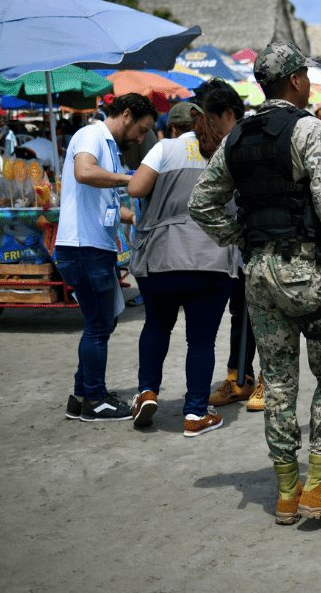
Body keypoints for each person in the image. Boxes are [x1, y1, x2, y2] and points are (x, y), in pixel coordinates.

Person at [189, 41, 321, 525]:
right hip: (308, 272)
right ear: (294, 80)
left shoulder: (237, 138)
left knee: (278, 383)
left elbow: (201, 205)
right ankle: (319, 485)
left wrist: (245, 238)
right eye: (307, 77)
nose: (309, 84)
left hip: (259, 275)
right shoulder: (309, 129)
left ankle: (287, 493)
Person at [126, 99, 240, 435]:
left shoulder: (164, 148)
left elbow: (136, 188)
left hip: (162, 257)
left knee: (157, 326)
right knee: (201, 340)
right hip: (212, 259)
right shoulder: (226, 152)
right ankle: (194, 414)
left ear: (178, 127)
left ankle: (147, 391)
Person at [56, 93, 156, 421]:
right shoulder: (91, 135)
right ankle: (95, 400)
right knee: (99, 325)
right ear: (126, 114)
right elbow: (84, 172)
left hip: (94, 246)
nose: (140, 138)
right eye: (141, 130)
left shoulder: (110, 146)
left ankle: (82, 393)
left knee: (102, 321)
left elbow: (104, 201)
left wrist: (134, 218)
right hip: (84, 247)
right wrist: (132, 179)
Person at [189, 80, 268, 413]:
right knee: (241, 313)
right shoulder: (228, 145)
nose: (207, 125)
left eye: (211, 117)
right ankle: (239, 378)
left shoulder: (250, 138)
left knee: (268, 316)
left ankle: (267, 380)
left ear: (226, 114)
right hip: (241, 249)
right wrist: (237, 237)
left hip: (266, 245)